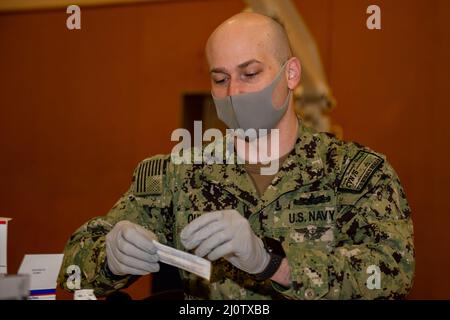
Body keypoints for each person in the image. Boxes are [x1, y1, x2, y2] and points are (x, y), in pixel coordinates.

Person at [58, 12, 415, 300]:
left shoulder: (356, 174)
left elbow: (389, 274)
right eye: (220, 79)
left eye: (250, 73)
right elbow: (73, 271)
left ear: (290, 74)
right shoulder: (180, 174)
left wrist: (272, 262)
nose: (234, 92)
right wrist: (111, 258)